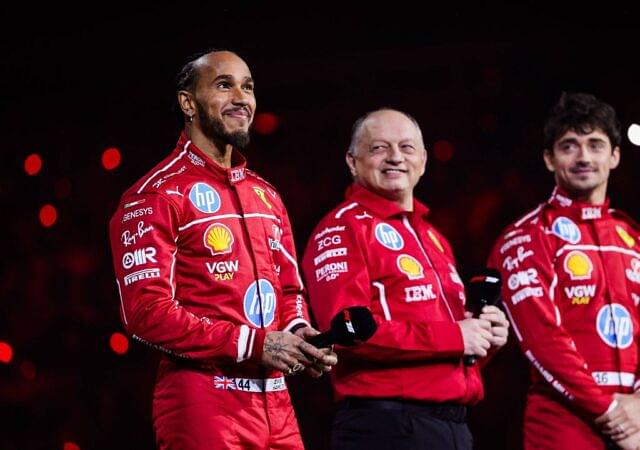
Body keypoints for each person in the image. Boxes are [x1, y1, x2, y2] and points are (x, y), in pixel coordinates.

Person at [108, 49, 336, 450]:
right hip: (203, 399)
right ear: (187, 103)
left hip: (276, 402)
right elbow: (145, 312)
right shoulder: (154, 195)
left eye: (247, 87)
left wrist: (301, 333)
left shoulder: (266, 196)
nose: (241, 97)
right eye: (224, 85)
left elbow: (289, 292)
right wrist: (254, 344)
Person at [301, 108, 509, 450]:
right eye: (379, 148)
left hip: (451, 425)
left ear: (424, 161)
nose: (395, 157)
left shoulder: (434, 238)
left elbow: (445, 348)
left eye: (407, 147)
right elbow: (347, 334)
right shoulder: (341, 228)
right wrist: (456, 336)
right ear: (353, 162)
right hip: (387, 427)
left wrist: (485, 339)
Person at [488, 92, 640, 450]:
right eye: (569, 146)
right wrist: (612, 411)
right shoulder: (526, 236)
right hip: (563, 424)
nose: (584, 156)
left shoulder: (633, 238)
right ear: (548, 159)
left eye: (596, 145)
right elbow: (543, 340)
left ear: (614, 156)